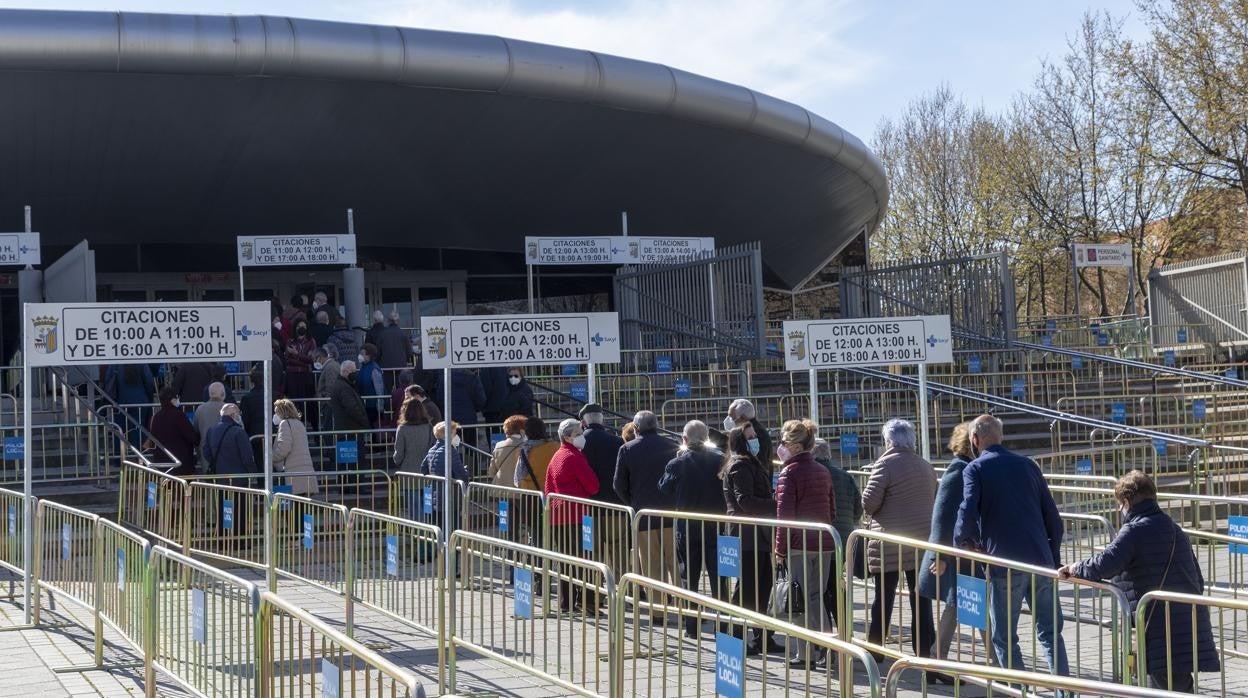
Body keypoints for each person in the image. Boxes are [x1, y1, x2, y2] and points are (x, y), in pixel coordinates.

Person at [1059, 471, 1218, 692]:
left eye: (1119, 504)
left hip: (1159, 627)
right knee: (1175, 686)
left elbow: (1106, 563)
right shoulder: (1174, 529)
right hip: (1185, 621)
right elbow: (1197, 579)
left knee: (1167, 688)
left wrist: (1076, 568)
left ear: (1126, 502)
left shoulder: (1134, 530)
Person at [954, 414, 1068, 679]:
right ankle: (1066, 692)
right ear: (1000, 436)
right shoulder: (1028, 465)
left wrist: (962, 542)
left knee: (1004, 638)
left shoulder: (975, 469)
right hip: (1040, 561)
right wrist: (1052, 557)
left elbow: (967, 508)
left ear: (975, 439)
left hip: (1003, 565)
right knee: (1051, 633)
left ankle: (1019, 690)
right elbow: (1053, 517)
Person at [861, 419, 937, 662]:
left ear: (888, 441)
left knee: (883, 599)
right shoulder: (925, 465)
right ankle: (924, 650)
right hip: (920, 542)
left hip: (890, 542)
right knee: (921, 600)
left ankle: (876, 650)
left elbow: (869, 503)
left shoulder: (884, 464)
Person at [918, 422, 991, 663]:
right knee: (969, 604)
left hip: (966, 553)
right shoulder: (958, 470)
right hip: (956, 555)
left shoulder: (970, 468)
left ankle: (937, 658)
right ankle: (998, 661)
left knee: (962, 604)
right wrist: (939, 555)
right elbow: (942, 515)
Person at [773, 418, 836, 666]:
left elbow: (784, 515)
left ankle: (805, 653)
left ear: (795, 445)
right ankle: (831, 649)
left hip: (799, 544)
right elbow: (831, 510)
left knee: (798, 600)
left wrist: (779, 548)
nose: (781, 446)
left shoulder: (789, 472)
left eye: (784, 442)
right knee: (815, 597)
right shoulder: (823, 470)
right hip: (825, 542)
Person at [657, 420, 726, 637]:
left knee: (689, 576)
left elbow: (664, 489)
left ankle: (692, 627)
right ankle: (722, 626)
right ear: (707, 438)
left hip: (687, 526)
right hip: (716, 524)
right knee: (719, 577)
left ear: (684, 440)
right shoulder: (720, 460)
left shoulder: (676, 463)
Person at [720, 423, 783, 655]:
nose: (755, 439)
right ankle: (735, 637)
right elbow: (745, 501)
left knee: (763, 585)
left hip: (757, 533)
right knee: (747, 589)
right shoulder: (739, 465)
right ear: (740, 441)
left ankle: (762, 637)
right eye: (751, 436)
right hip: (746, 535)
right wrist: (776, 504)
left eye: (755, 435)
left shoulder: (750, 463)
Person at [614, 410, 680, 610]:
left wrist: (633, 502)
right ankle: (685, 608)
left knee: (651, 565)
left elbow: (618, 484)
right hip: (672, 513)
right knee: (676, 563)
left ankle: (658, 610)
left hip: (643, 516)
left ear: (635, 428)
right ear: (656, 424)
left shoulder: (627, 449)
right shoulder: (672, 446)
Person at [543, 418, 600, 613]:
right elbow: (593, 485)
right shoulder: (574, 457)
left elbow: (548, 486)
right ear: (567, 437)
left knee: (566, 561)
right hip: (578, 515)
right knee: (585, 559)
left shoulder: (557, 456)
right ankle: (587, 602)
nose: (582, 436)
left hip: (559, 516)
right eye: (578, 433)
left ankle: (566, 602)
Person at [812, 437, 862, 631]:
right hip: (843, 539)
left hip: (820, 540)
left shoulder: (813, 474)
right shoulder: (845, 476)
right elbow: (858, 509)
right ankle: (844, 630)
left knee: (822, 589)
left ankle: (827, 635)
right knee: (837, 587)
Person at [272, 398, 319, 496]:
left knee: (294, 508)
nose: (275, 415)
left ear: (283, 412)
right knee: (303, 506)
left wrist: (271, 458)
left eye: (276, 412)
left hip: (292, 472)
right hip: (306, 471)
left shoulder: (285, 424)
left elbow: (284, 448)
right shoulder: (299, 423)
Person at [147, 386, 198, 475]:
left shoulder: (156, 417)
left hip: (161, 461)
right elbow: (191, 436)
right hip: (180, 461)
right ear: (172, 400)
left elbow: (152, 439)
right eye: (177, 397)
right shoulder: (179, 415)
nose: (178, 399)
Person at [579, 404, 623, 505]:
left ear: (583, 423)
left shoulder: (578, 443)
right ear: (602, 421)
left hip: (588, 504)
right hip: (614, 504)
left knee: (588, 521)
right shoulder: (618, 441)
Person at [104, 363, 156, 447]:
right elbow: (149, 382)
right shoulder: (141, 363)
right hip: (141, 401)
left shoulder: (115, 363)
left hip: (120, 402)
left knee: (119, 430)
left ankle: (119, 455)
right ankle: (138, 455)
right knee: (138, 429)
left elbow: (108, 380)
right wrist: (149, 398)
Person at [202, 403, 255, 479]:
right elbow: (247, 457)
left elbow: (206, 452)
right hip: (239, 478)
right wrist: (253, 473)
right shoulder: (239, 432)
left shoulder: (211, 430)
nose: (240, 416)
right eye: (239, 414)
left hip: (219, 477)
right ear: (233, 415)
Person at [725, 399, 773, 474]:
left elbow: (760, 463)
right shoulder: (755, 429)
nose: (729, 420)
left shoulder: (755, 433)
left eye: (732, 417)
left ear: (743, 418)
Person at [515, 416, 559, 492]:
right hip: (553, 492)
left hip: (531, 493)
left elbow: (519, 477)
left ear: (527, 432)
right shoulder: (557, 447)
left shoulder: (523, 451)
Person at [393, 391, 434, 472]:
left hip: (407, 470)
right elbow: (432, 445)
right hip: (426, 469)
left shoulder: (402, 428)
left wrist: (398, 462)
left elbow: (399, 453)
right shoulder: (428, 426)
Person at [193, 382, 227, 471]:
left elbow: (195, 431)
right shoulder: (229, 409)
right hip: (227, 451)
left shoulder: (200, 409)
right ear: (223, 394)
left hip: (206, 451)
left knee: (208, 481)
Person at [238, 366, 267, 466]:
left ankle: (261, 481)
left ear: (251, 381)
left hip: (254, 435)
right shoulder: (273, 395)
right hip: (271, 434)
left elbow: (245, 419)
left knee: (259, 462)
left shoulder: (247, 398)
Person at [329, 361, 371, 432]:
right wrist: (364, 421)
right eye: (352, 371)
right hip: (350, 430)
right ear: (345, 371)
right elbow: (352, 408)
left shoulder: (343, 385)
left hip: (347, 429)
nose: (355, 373)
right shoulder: (344, 387)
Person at [487, 415, 527, 486]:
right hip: (520, 489)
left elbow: (491, 472)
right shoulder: (526, 446)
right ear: (523, 430)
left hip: (500, 489)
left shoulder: (498, 446)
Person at [376, 311, 411, 390]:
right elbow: (409, 352)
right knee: (402, 390)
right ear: (398, 321)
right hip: (401, 366)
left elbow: (378, 352)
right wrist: (406, 360)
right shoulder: (403, 334)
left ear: (388, 321)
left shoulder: (382, 334)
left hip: (386, 367)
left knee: (387, 390)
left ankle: (388, 402)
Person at [356, 343, 386, 426]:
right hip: (364, 405)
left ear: (369, 355)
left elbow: (379, 389)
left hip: (373, 407)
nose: (360, 356)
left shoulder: (374, 369)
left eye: (363, 354)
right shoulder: (363, 367)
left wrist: (380, 407)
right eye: (360, 353)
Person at [315, 345, 340, 430]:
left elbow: (331, 387)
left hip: (329, 405)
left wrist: (326, 403)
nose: (314, 362)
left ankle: (331, 443)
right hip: (329, 403)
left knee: (329, 428)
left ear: (319, 357)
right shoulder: (330, 366)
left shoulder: (330, 367)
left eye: (315, 359)